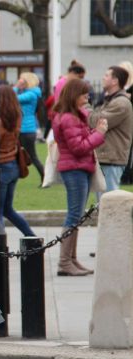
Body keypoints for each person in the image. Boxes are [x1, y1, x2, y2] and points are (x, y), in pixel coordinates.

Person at [52, 79, 107, 276]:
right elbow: (78, 147)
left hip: (79, 168)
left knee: (77, 215)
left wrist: (94, 131)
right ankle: (65, 262)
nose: (87, 98)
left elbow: (81, 140)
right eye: (84, 95)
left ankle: (71, 260)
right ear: (74, 95)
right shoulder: (68, 118)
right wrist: (99, 134)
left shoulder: (74, 116)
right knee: (74, 215)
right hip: (74, 168)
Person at [0, 86, 34, 236]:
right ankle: (31, 236)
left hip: (1, 169)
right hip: (13, 166)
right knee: (7, 210)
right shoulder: (17, 116)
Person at [88, 66, 133, 196]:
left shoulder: (121, 103)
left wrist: (84, 106)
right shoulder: (111, 100)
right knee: (103, 202)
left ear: (115, 81)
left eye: (107, 75)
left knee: (109, 202)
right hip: (106, 157)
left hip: (111, 158)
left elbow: (94, 121)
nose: (103, 77)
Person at [14, 72, 44, 183]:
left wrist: (16, 87)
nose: (20, 81)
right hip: (24, 129)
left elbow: (12, 98)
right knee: (17, 154)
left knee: (32, 156)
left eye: (22, 80)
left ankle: (44, 176)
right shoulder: (30, 92)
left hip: (26, 129)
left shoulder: (31, 94)